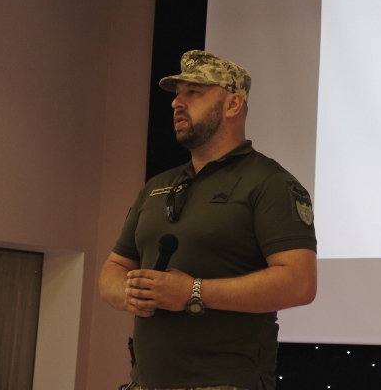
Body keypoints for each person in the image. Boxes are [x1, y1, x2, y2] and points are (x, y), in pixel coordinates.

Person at [99, 50, 318, 390]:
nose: (177, 103)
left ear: (232, 104)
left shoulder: (269, 182)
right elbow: (113, 268)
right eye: (177, 94)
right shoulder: (157, 186)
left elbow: (299, 283)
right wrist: (129, 292)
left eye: (194, 92)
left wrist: (193, 291)